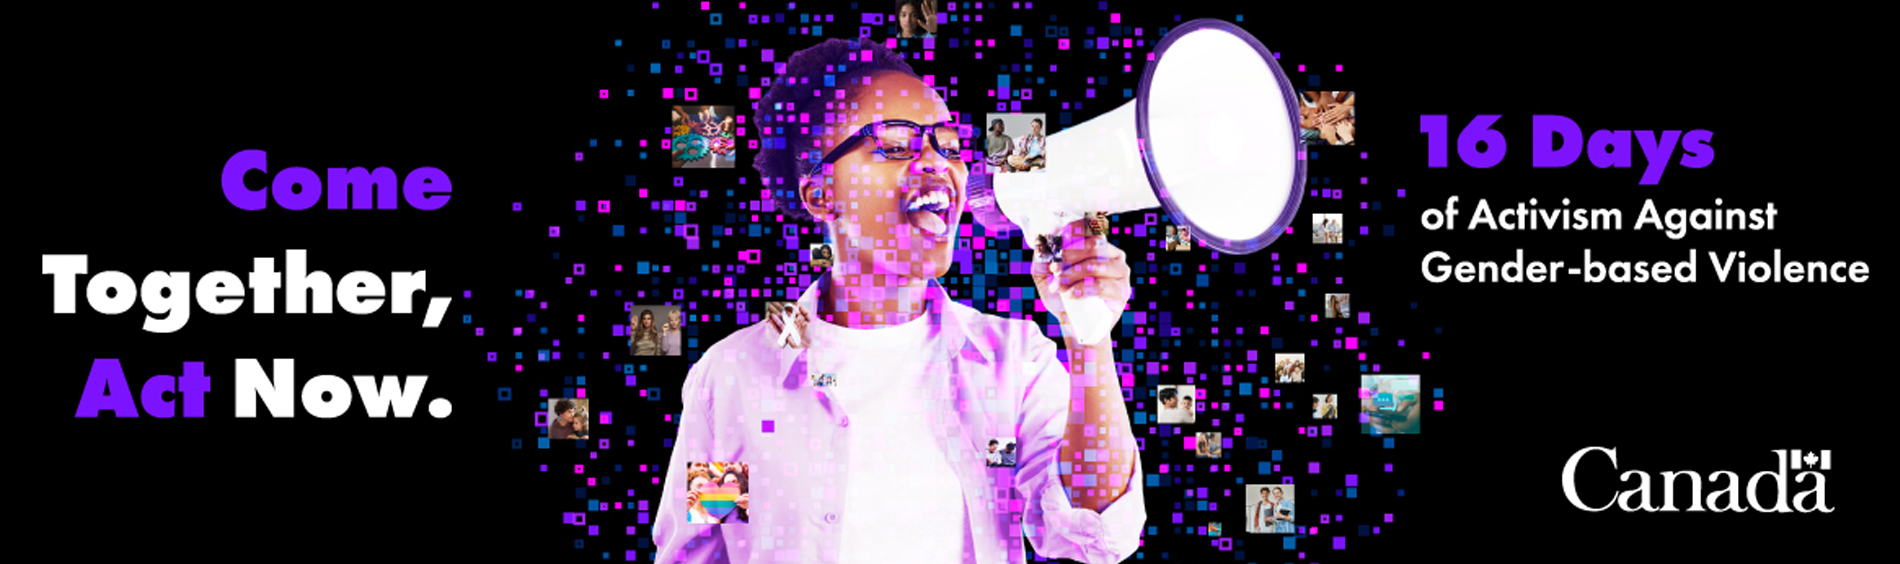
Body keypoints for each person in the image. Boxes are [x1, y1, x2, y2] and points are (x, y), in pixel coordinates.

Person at [654, 37, 1142, 564]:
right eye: (893, 143)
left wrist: (1089, 338)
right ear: (821, 193)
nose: (937, 164)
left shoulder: (1013, 362)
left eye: (949, 146)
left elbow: (1096, 535)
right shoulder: (733, 376)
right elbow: (699, 551)